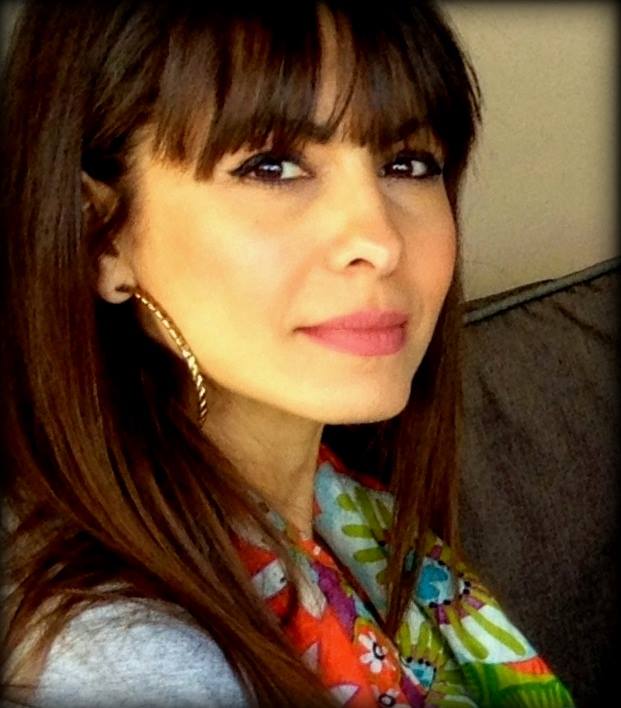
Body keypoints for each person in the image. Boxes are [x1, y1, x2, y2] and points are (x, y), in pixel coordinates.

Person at [0, 1, 575, 706]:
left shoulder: (353, 520)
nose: (378, 240)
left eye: (407, 163)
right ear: (101, 236)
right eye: (270, 166)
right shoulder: (124, 659)